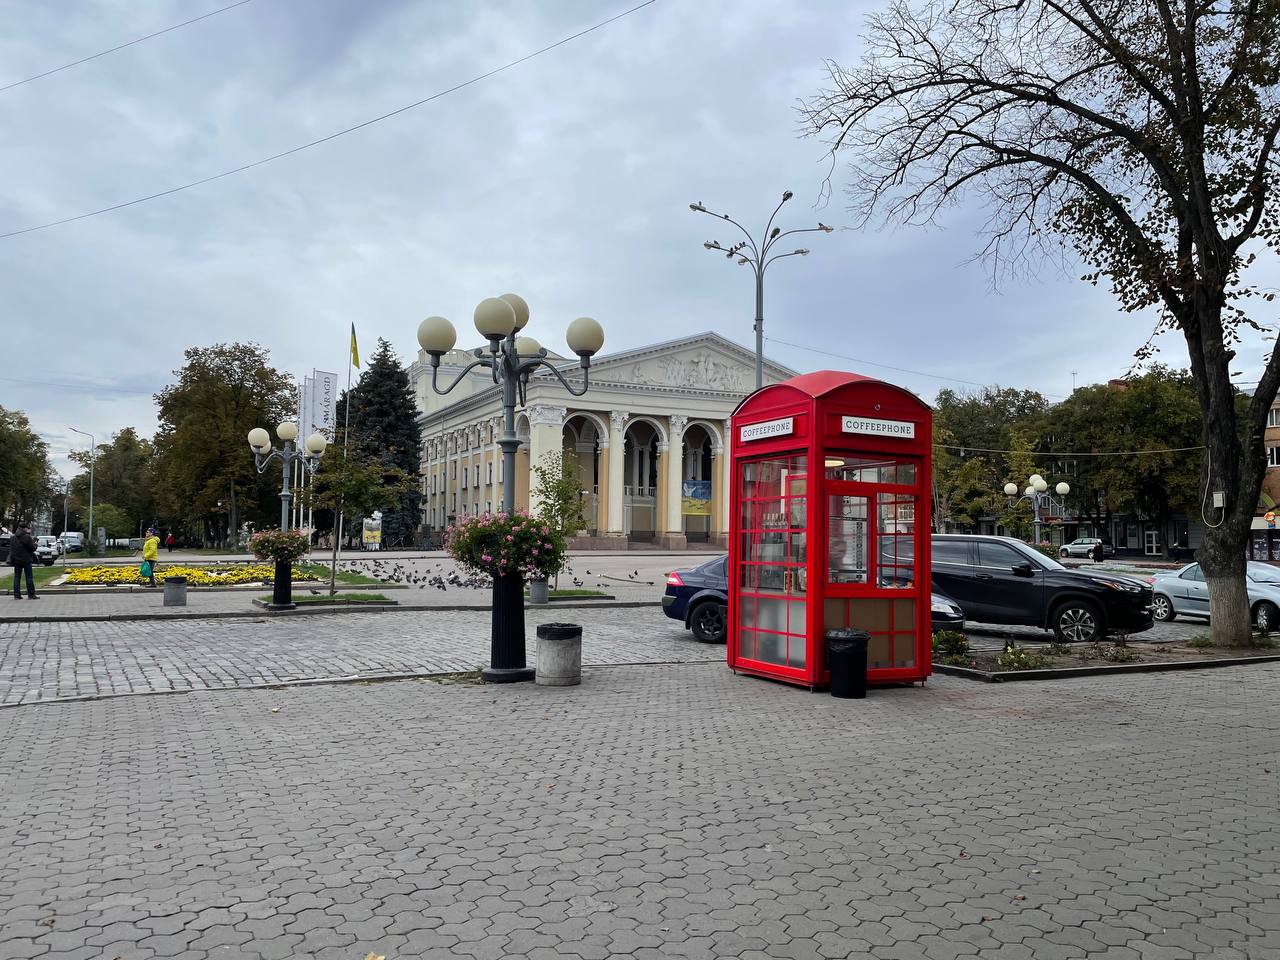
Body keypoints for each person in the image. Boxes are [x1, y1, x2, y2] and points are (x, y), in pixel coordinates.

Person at [9, 522, 38, 600]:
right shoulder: (27, 537)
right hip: (26, 560)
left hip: (16, 560)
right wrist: (35, 544)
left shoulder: (12, 537)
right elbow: (32, 548)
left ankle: (17, 595)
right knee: (29, 577)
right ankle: (31, 594)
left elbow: (12, 549)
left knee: (17, 577)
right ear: (24, 528)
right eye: (27, 528)